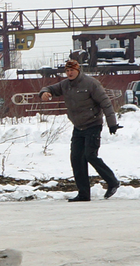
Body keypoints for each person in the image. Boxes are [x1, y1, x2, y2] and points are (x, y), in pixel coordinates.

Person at [38, 58, 120, 201]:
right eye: (67, 71)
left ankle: (112, 181)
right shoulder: (65, 85)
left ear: (78, 70)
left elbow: (105, 103)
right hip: (78, 127)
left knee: (90, 155)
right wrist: (44, 93)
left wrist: (111, 123)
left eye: (72, 70)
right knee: (76, 159)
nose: (69, 73)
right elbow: (50, 89)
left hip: (93, 124)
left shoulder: (91, 83)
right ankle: (83, 194)